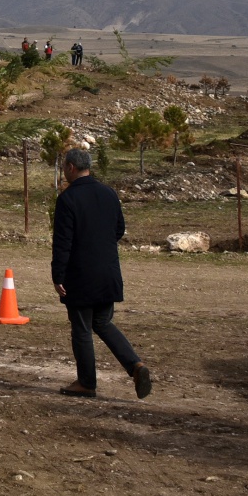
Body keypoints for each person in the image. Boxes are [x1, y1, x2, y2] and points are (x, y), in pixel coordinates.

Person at [52, 148, 152, 399]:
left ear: (71, 168)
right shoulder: (109, 193)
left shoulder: (68, 199)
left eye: (65, 167)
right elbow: (119, 229)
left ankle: (86, 383)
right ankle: (135, 365)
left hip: (80, 275)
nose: (64, 171)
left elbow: (62, 242)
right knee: (102, 322)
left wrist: (58, 275)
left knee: (82, 328)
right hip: (108, 272)